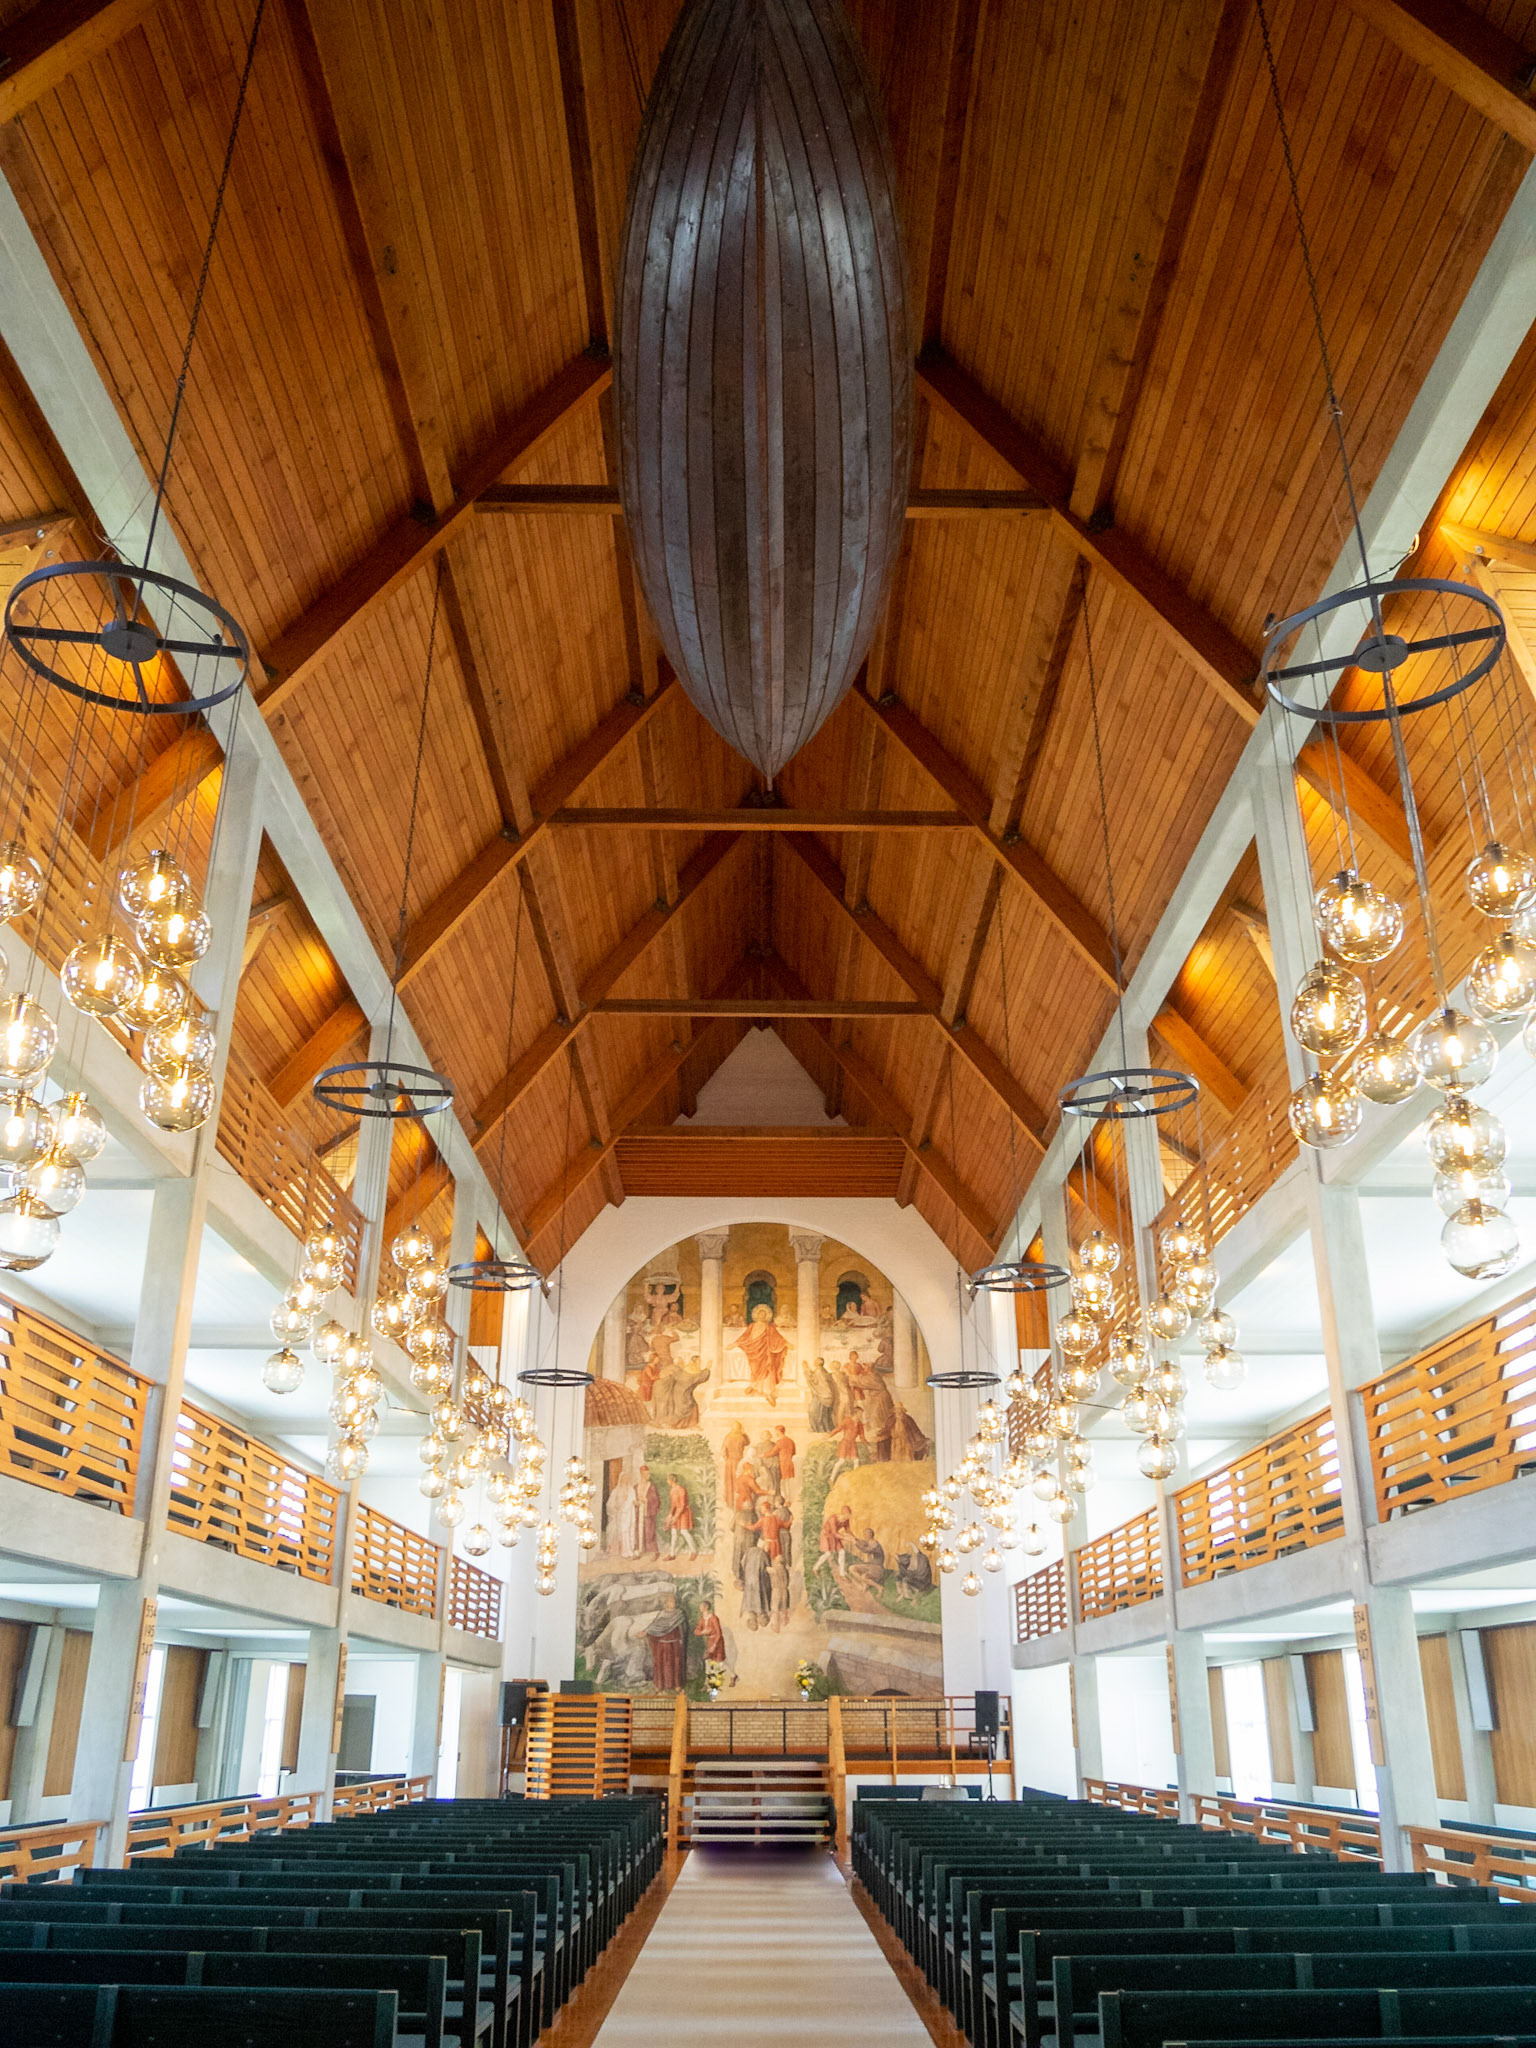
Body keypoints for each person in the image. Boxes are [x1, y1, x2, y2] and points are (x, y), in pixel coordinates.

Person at [733, 1302, 789, 1404]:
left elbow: (777, 1337)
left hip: (765, 1352)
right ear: (756, 1315)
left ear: (767, 1316)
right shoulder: (752, 1326)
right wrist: (735, 1343)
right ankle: (754, 1385)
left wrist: (786, 1343)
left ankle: (768, 1393)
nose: (762, 1316)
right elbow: (745, 1336)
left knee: (767, 1370)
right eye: (760, 1314)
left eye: (764, 1314)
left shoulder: (769, 1327)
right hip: (754, 1352)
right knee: (755, 1370)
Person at [645, 1591, 686, 1690]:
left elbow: (683, 1628)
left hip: (675, 1643)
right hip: (662, 1644)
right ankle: (661, 1685)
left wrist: (682, 1639)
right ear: (666, 1603)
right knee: (661, 1663)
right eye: (671, 1601)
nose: (673, 1603)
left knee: (676, 1663)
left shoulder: (679, 1613)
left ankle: (677, 1684)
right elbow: (655, 1626)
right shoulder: (661, 1614)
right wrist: (646, 1632)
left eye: (674, 1601)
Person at [858, 1369, 896, 1462]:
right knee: (876, 1417)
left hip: (881, 1400)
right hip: (878, 1399)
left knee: (878, 1417)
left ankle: (881, 1431)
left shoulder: (874, 1377)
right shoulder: (873, 1377)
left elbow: (862, 1383)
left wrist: (853, 1377)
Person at [740, 1533, 770, 1631]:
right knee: (760, 1596)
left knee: (749, 1597)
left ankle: (752, 1618)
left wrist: (748, 1572)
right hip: (758, 1580)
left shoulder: (749, 1550)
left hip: (749, 1579)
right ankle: (762, 1616)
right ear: (764, 1544)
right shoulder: (763, 1554)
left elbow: (742, 1563)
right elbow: (767, 1567)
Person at [666, 1474, 697, 1556]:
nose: (667, 1481)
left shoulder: (681, 1490)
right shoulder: (672, 1490)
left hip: (684, 1512)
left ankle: (694, 1551)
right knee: (674, 1532)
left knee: (684, 1532)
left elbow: (682, 1505)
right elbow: (673, 1504)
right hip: (677, 1512)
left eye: (668, 1480)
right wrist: (670, 1514)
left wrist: (676, 1516)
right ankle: (672, 1554)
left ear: (672, 1480)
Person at [848, 1526, 886, 1593]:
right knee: (852, 1568)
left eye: (866, 1534)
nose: (864, 1536)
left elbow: (865, 1550)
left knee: (864, 1577)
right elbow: (861, 1542)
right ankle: (865, 1584)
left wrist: (855, 1542)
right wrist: (854, 1538)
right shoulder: (869, 1542)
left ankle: (879, 1587)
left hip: (877, 1568)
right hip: (869, 1566)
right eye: (864, 1534)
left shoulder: (875, 1545)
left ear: (870, 1534)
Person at [606, 1471, 635, 1558]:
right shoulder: (616, 1490)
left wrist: (624, 1507)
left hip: (626, 1514)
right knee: (615, 1530)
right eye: (623, 1478)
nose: (625, 1480)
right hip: (617, 1513)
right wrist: (616, 1507)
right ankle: (616, 1550)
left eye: (626, 1478)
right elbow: (610, 1503)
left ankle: (626, 1550)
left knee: (625, 1530)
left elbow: (631, 1501)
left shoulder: (630, 1490)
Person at [804, 1356, 835, 1434]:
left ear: (818, 1363)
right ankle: (825, 1429)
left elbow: (813, 1380)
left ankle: (820, 1429)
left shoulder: (819, 1371)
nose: (814, 1362)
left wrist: (806, 1368)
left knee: (815, 1412)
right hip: (825, 1394)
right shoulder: (823, 1370)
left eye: (815, 1361)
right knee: (823, 1414)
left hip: (821, 1395)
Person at [722, 1418, 749, 1504]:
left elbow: (723, 1450)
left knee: (732, 1480)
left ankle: (731, 1501)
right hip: (737, 1460)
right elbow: (747, 1442)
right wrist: (744, 1433)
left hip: (731, 1461)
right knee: (736, 1480)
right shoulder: (741, 1437)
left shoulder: (728, 1436)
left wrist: (727, 1459)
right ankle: (736, 1501)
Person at [694, 1599, 726, 1664]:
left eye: (701, 1606)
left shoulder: (713, 1618)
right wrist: (702, 1632)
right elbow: (696, 1631)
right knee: (710, 1661)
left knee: (718, 1661)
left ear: (706, 1607)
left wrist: (714, 1645)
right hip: (709, 1641)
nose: (699, 1608)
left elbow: (719, 1633)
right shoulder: (702, 1619)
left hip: (717, 1641)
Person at [638, 1464, 661, 1554]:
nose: (649, 1476)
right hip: (638, 1513)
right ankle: (641, 1550)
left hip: (649, 1512)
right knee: (639, 1532)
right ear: (642, 1474)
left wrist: (646, 1500)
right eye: (646, 1474)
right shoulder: (637, 1486)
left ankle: (654, 1551)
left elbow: (656, 1500)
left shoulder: (651, 1486)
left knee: (650, 1532)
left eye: (649, 1474)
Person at [768, 1550, 790, 1632]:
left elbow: (767, 1569)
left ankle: (775, 1625)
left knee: (775, 1609)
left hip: (777, 1591)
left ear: (777, 1562)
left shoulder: (775, 1569)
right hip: (785, 1591)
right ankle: (784, 1622)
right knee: (784, 1608)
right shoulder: (785, 1570)